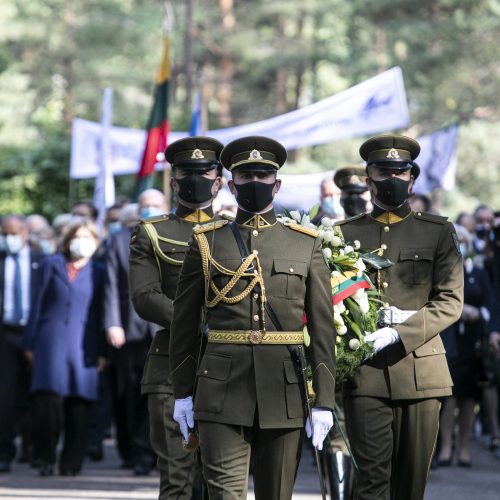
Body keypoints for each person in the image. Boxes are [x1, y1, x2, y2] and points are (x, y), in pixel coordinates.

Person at [170, 136, 336, 500]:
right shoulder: (206, 241)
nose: (255, 183)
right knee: (225, 495)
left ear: (277, 184)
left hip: (285, 388)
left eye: (263, 176)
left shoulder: (304, 243)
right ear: (231, 185)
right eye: (246, 177)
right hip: (220, 388)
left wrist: (324, 399)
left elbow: (323, 329)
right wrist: (182, 393)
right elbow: (183, 326)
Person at [336, 134, 464, 500]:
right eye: (382, 170)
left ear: (412, 177)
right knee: (371, 483)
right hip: (365, 371)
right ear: (368, 177)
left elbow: (450, 302)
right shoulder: (345, 234)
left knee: (410, 486)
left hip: (422, 373)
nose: (391, 177)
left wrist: (399, 333)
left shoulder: (438, 231)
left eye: (399, 171)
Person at [129, 137, 225, 499]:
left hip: (227, 368)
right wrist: (202, 324)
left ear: (218, 181)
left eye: (205, 172)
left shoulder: (237, 232)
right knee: (178, 480)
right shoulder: (151, 231)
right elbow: (145, 297)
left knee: (222, 481)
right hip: (171, 367)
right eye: (187, 172)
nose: (195, 179)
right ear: (173, 180)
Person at [23, 218, 106, 477]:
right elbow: (36, 305)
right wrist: (30, 342)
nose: (81, 242)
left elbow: (104, 312)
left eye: (87, 238)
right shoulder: (51, 265)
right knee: (47, 404)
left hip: (85, 344)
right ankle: (44, 458)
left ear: (96, 243)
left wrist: (104, 350)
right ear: (67, 240)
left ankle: (71, 462)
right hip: (50, 341)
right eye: (76, 236)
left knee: (78, 406)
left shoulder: (99, 271)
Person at [104, 196, 157, 475]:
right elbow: (112, 285)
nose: (149, 209)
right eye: (144, 205)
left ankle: (159, 452)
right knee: (133, 393)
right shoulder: (120, 239)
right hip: (131, 330)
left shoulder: (171, 231)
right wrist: (113, 323)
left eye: (154, 205)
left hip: (164, 328)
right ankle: (138, 453)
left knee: (162, 395)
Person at [438, 224, 497, 466]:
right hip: (449, 339)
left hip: (472, 342)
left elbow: (490, 304)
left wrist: (477, 313)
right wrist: (458, 311)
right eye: (456, 239)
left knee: (468, 397)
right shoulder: (442, 269)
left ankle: (463, 448)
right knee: (449, 395)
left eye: (463, 240)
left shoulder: (478, 272)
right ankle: (446, 447)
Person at [0, 215, 43, 471]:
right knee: (5, 395)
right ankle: (5, 451)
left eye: (14, 233)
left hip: (34, 334)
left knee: (35, 393)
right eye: (5, 234)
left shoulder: (41, 262)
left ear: (26, 233)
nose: (9, 239)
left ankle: (34, 448)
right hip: (5, 334)